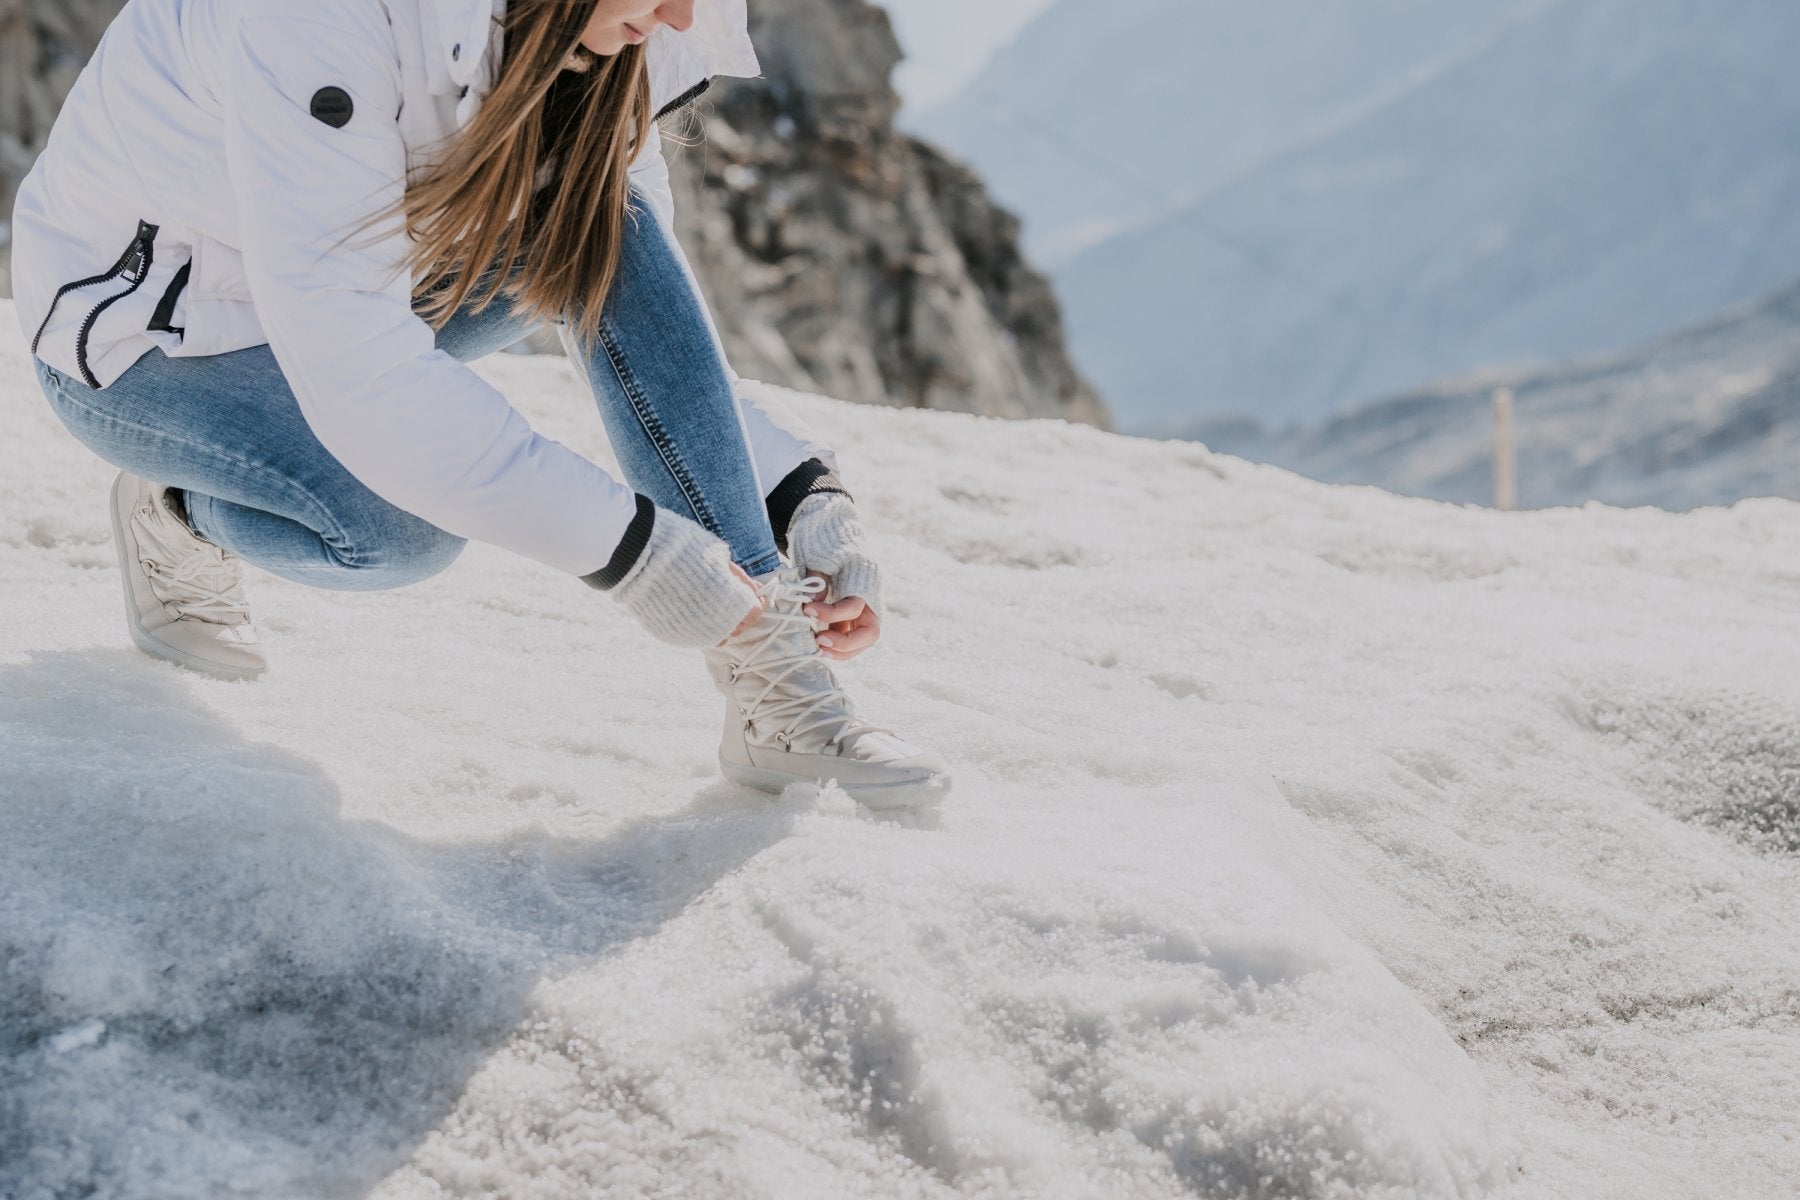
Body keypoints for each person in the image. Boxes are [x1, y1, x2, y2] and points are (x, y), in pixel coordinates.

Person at [11, 0, 951, 807]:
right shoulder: (314, 16)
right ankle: (179, 505)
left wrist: (802, 497)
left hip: (337, 291)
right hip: (144, 342)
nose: (677, 16)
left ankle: (778, 696)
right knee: (396, 533)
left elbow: (657, 334)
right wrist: (639, 555)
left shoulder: (588, 38)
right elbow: (360, 368)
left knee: (605, 226)